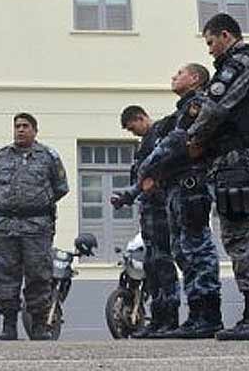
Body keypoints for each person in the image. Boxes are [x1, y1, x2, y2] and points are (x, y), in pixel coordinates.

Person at [185, 13, 249, 341]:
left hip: (237, 158)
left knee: (241, 234)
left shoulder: (240, 64)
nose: (210, 51)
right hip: (236, 158)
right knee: (239, 233)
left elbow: (214, 107)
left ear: (225, 35)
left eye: (211, 42)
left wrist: (194, 139)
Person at [136, 64, 217, 339]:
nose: (173, 76)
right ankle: (196, 316)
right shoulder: (179, 111)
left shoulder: (197, 105)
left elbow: (176, 143)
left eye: (179, 73)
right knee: (183, 251)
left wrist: (146, 167)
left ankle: (208, 315)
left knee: (197, 249)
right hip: (175, 188)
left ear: (194, 78)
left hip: (191, 186)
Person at [0, 113, 69, 341]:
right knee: (6, 276)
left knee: (38, 276)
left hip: (37, 227)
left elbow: (61, 187)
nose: (20, 130)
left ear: (35, 130)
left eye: (25, 126)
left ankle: (39, 324)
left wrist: (35, 202)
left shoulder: (48, 157)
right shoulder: (1, 157)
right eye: (17, 126)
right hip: (6, 226)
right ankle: (8, 324)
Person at [111, 105, 180, 338]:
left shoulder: (162, 133)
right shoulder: (144, 144)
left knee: (163, 265)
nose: (134, 133)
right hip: (148, 213)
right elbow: (141, 180)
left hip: (162, 211)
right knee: (151, 267)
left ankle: (170, 319)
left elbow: (166, 166)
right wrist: (126, 197)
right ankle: (158, 320)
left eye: (133, 128)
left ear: (141, 118)